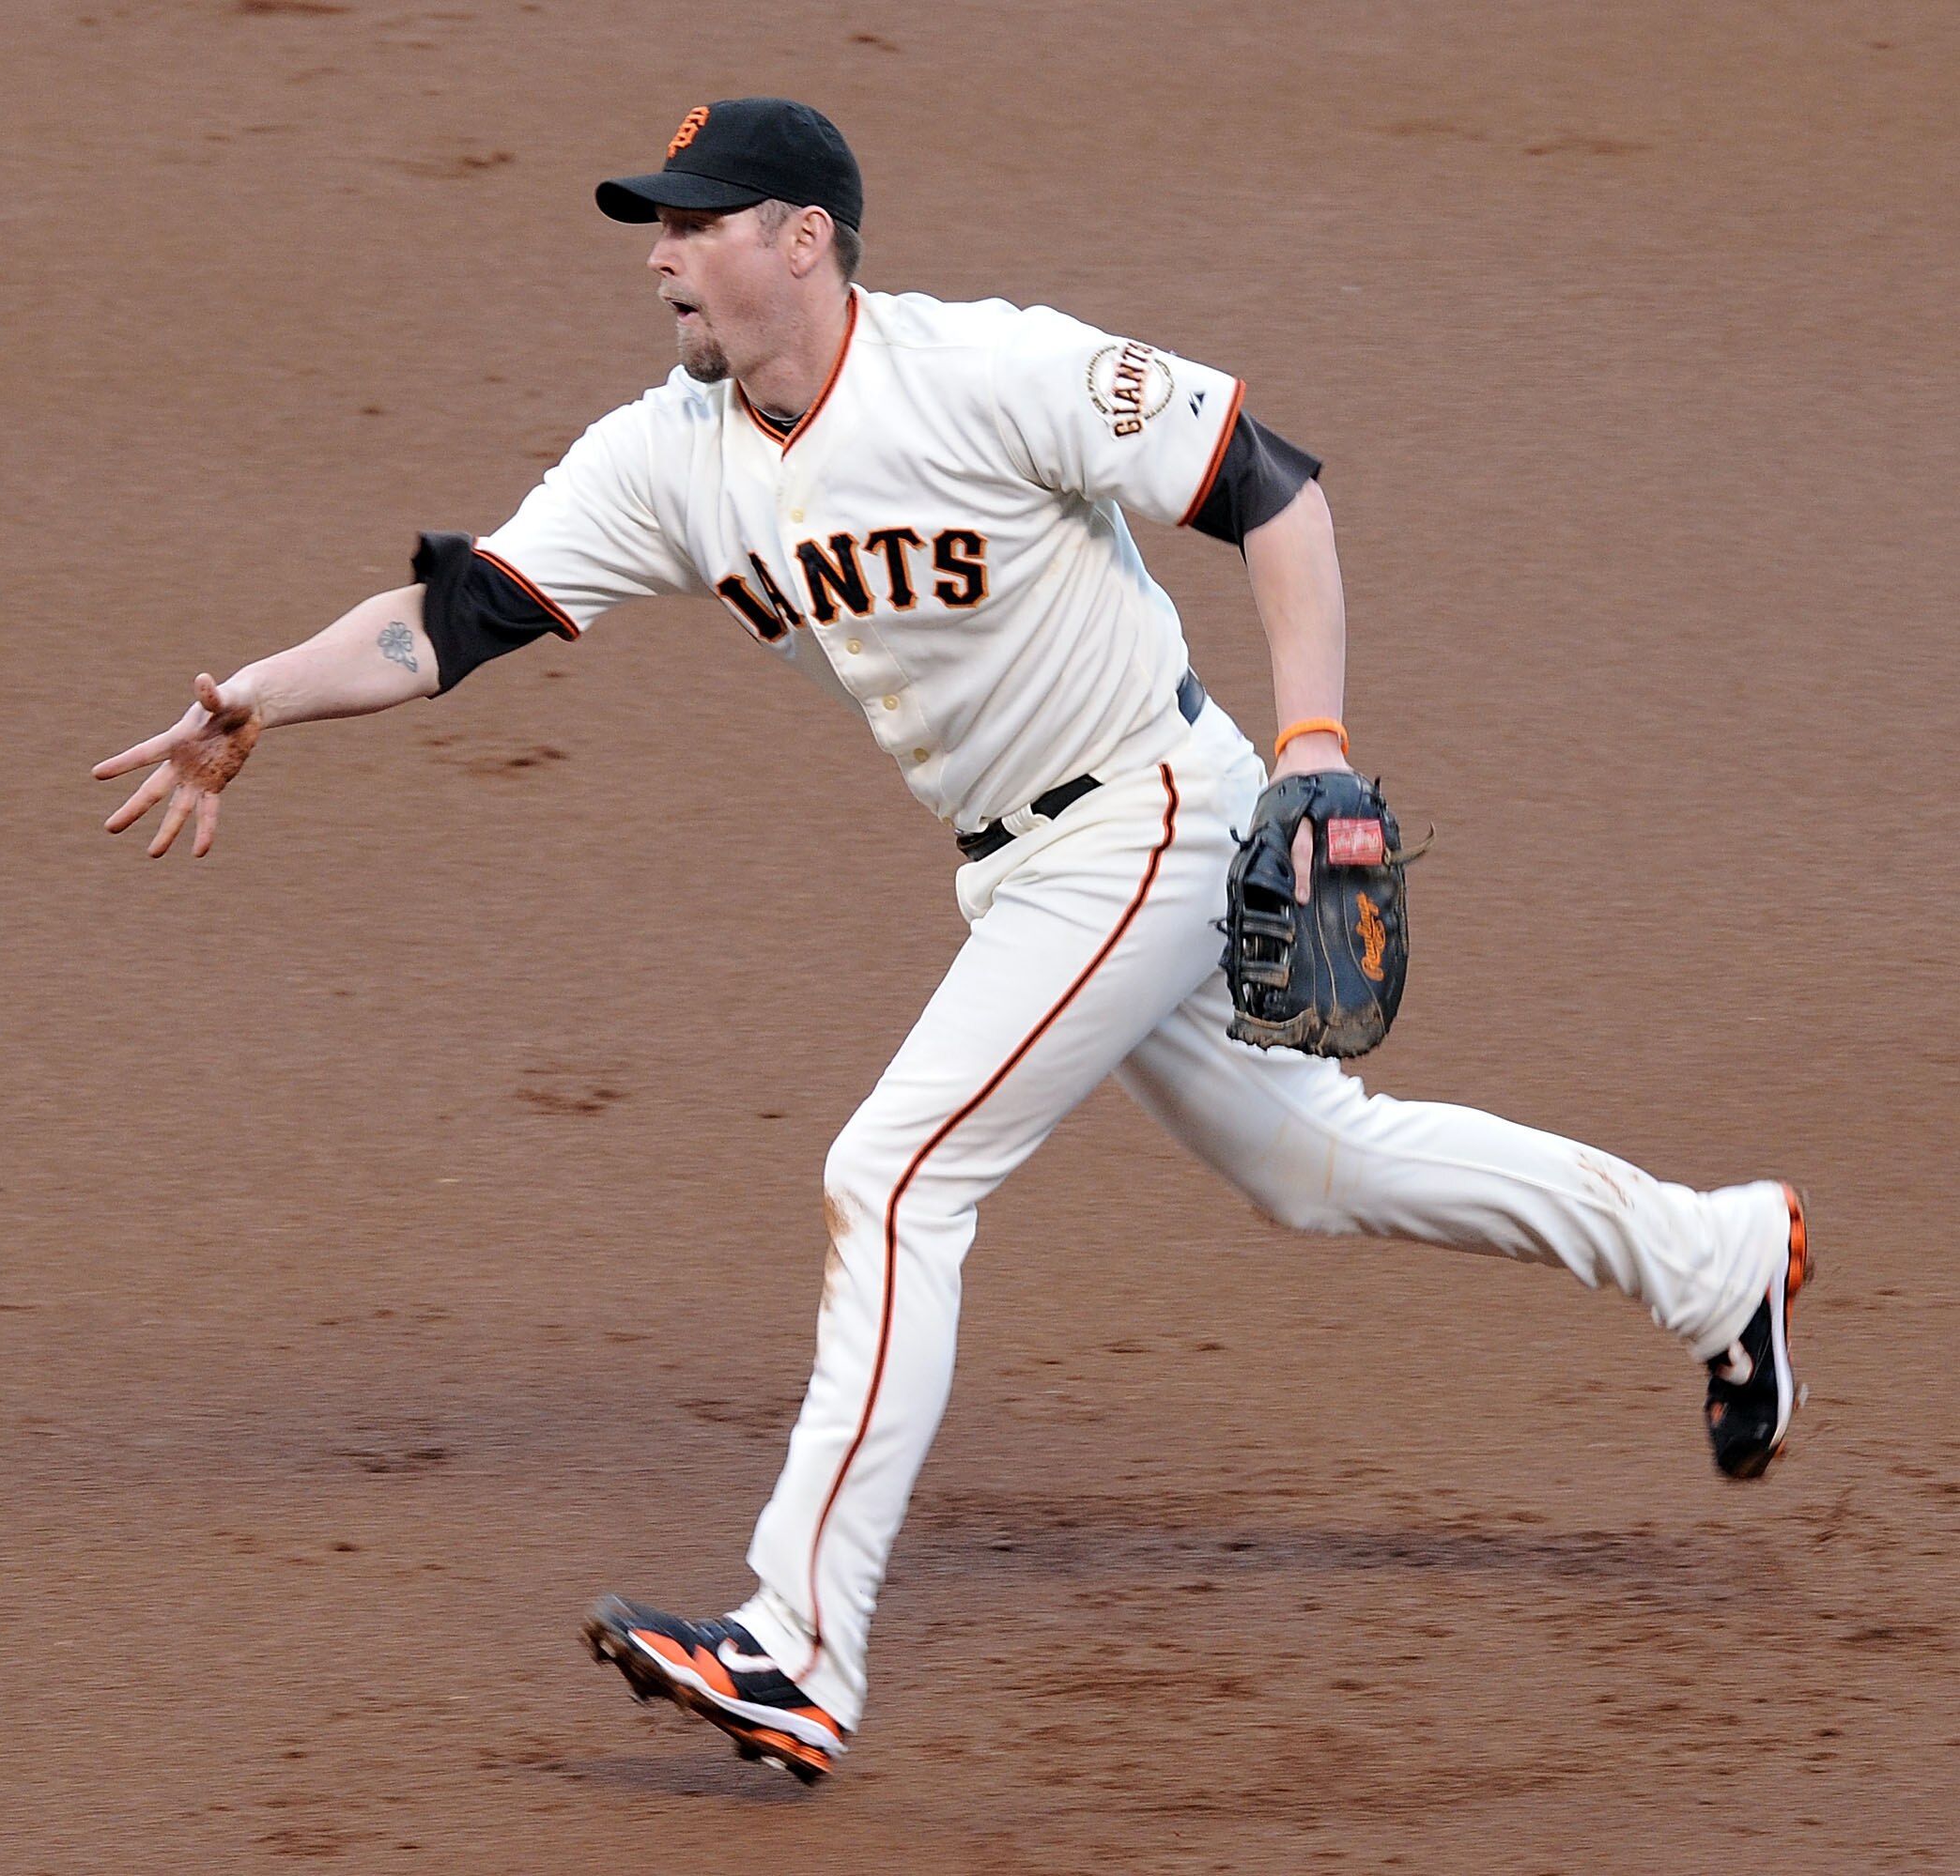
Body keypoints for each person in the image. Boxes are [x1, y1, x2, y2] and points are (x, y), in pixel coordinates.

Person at [94, 98, 1809, 1784]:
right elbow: (450, 619)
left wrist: (1315, 748)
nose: (665, 260)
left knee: (896, 1174)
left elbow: (1272, 491)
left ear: (805, 239)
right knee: (1315, 1167)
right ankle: (1708, 1252)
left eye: (695, 225)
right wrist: (256, 696)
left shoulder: (989, 370)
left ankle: (798, 1643)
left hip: (1152, 812)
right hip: (1028, 869)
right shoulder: (669, 457)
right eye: (656, 230)